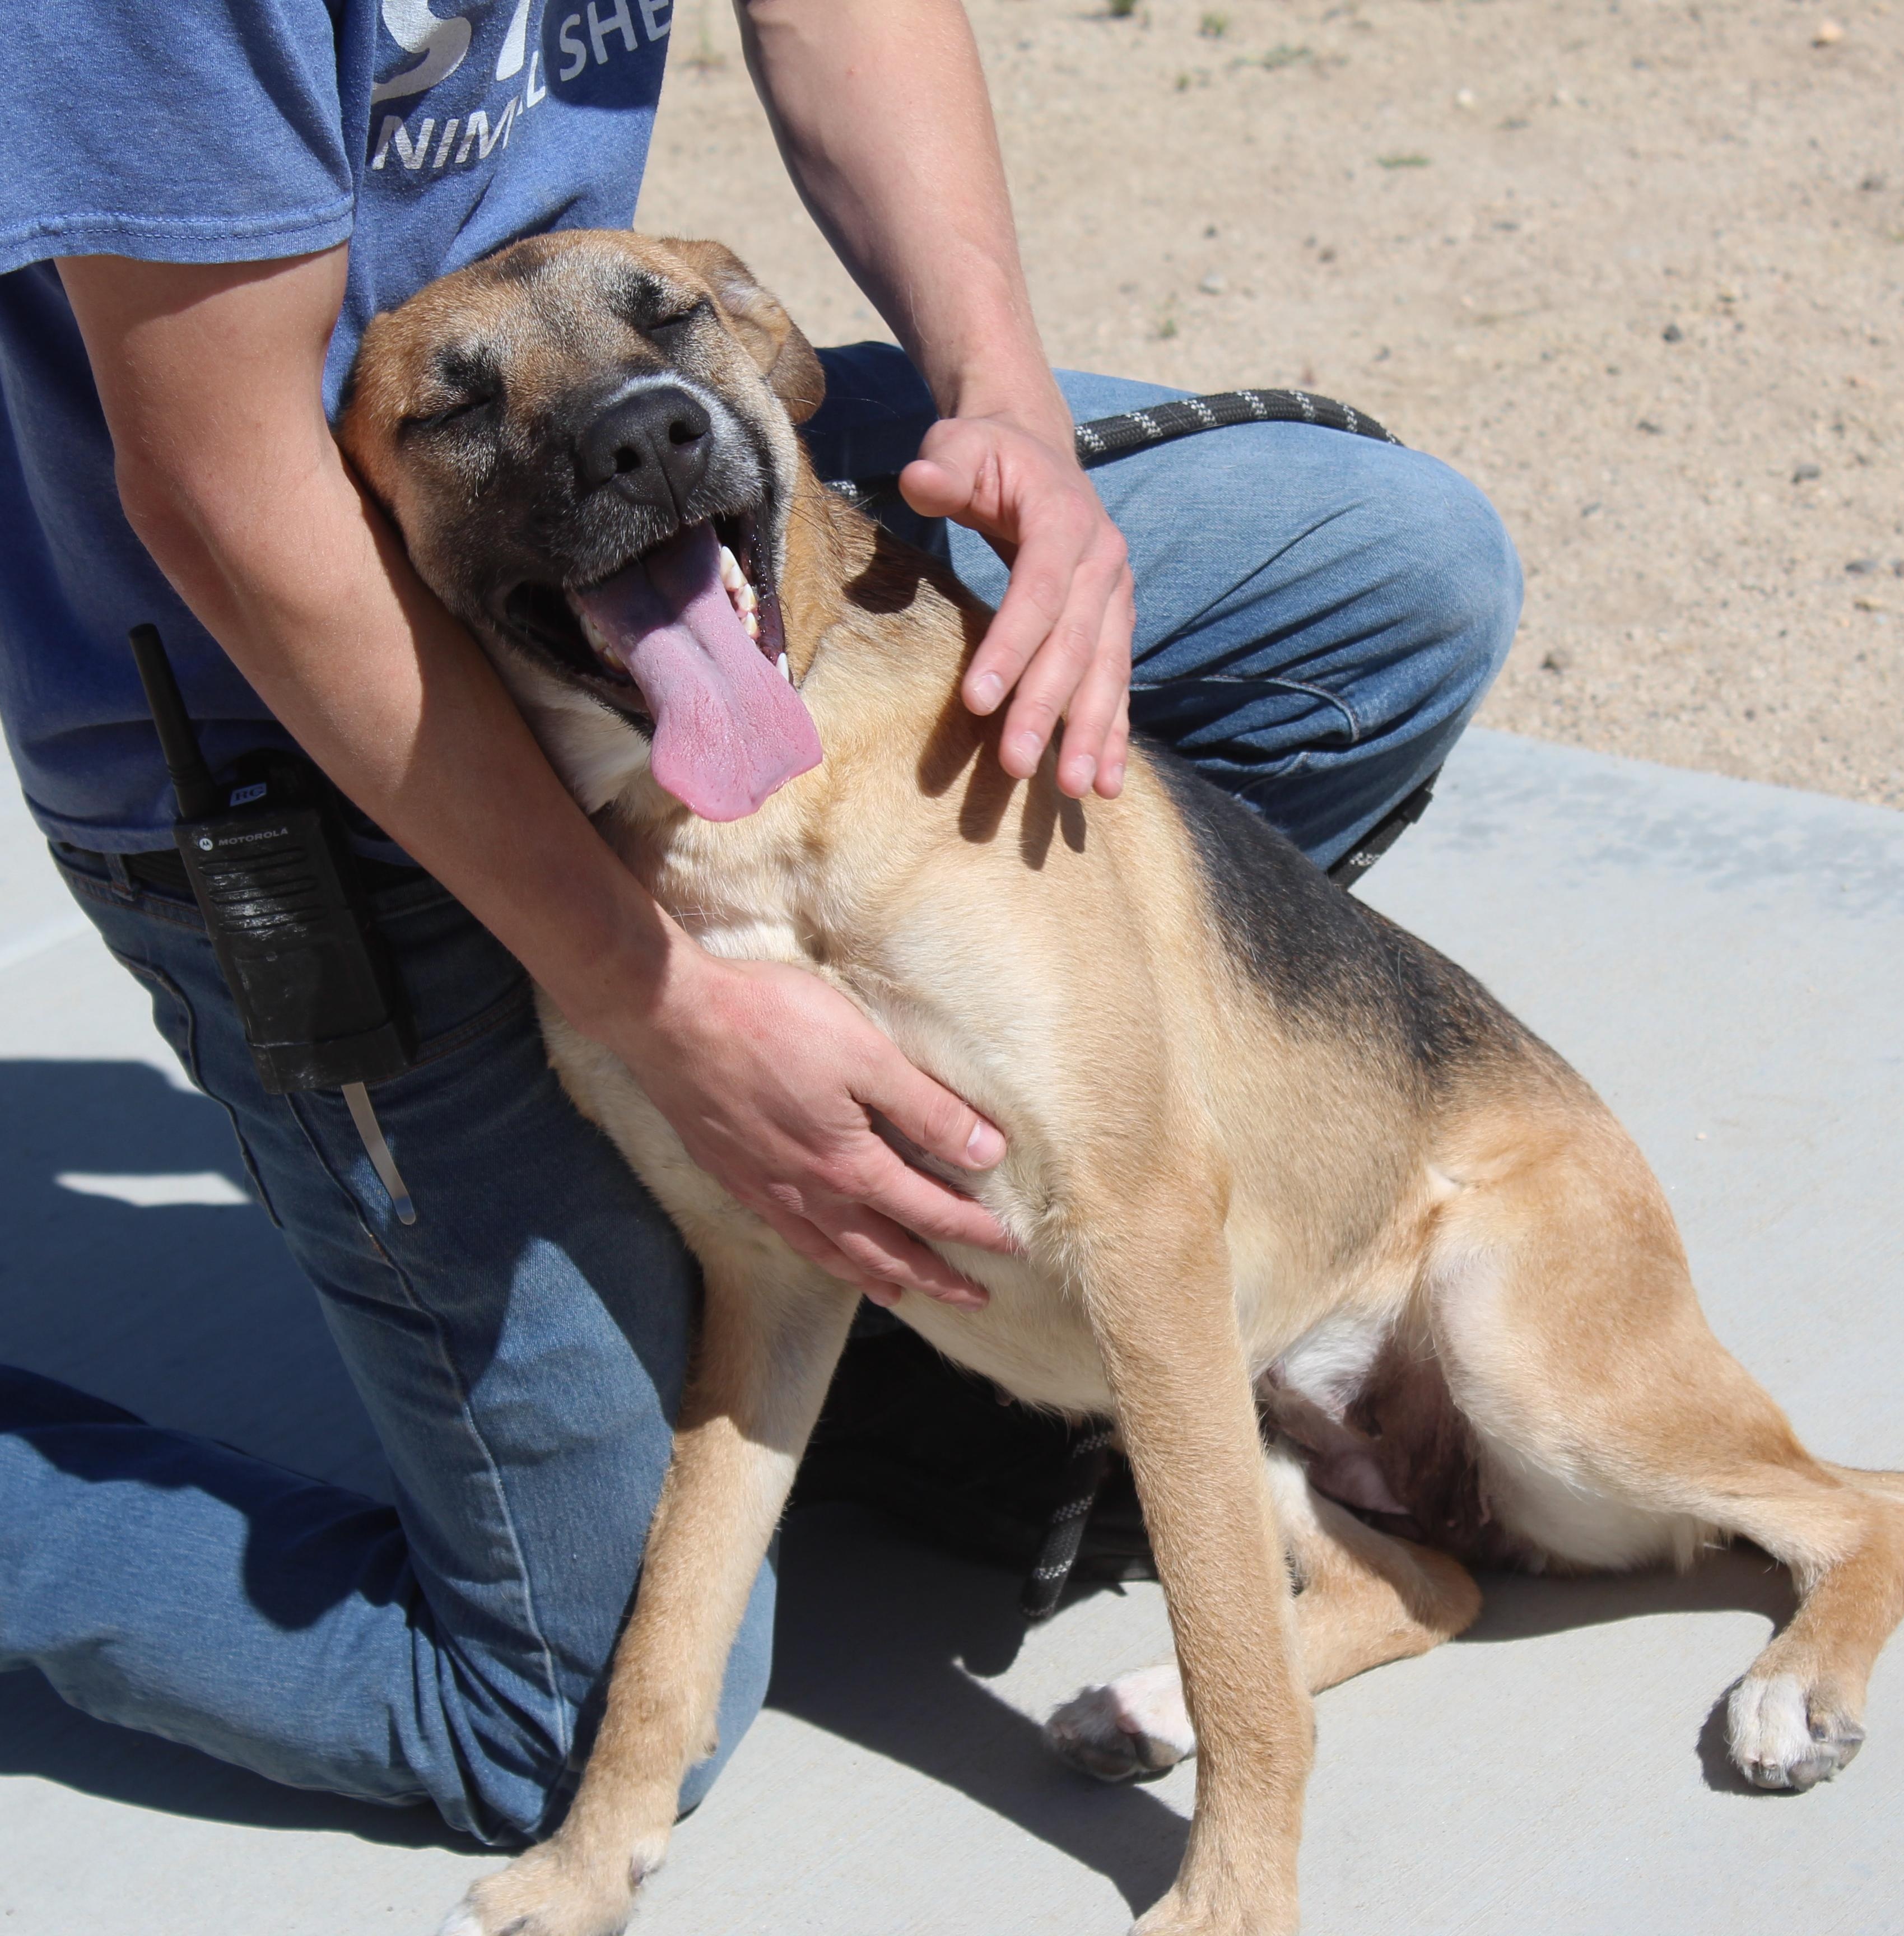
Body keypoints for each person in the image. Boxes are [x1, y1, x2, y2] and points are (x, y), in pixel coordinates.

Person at [0, 0, 1520, 1846]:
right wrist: (652, 997)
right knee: (550, 1726)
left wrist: (1004, 409)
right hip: (313, 722)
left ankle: (906, 1298)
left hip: (637, 507)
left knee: (1378, 573)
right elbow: (236, 494)